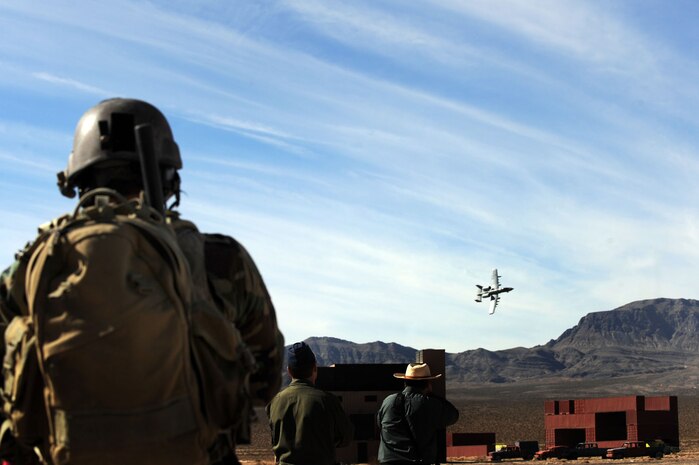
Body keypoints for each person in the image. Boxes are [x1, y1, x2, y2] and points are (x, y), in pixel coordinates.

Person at [0, 98, 284, 464]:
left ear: (76, 180)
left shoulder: (31, 269)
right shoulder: (222, 260)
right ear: (171, 180)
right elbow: (265, 380)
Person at [266, 342, 353, 465]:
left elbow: (275, 439)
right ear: (315, 368)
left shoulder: (275, 402)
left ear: (289, 370)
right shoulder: (328, 401)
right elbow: (346, 438)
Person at [377, 362, 459, 465]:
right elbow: (453, 415)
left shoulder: (388, 401)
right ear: (428, 384)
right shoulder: (430, 404)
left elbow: (379, 423)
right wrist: (432, 395)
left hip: (388, 460)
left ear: (405, 382)